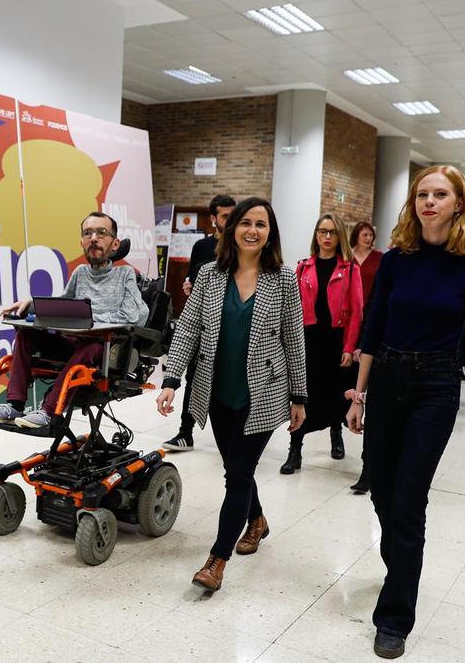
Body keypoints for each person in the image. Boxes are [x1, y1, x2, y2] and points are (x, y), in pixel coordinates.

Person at [344, 165, 465, 660]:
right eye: (422, 194)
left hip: (436, 384)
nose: (429, 201)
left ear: (458, 204)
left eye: (440, 194)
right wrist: (359, 393)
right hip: (386, 378)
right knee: (382, 490)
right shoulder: (396, 260)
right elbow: (374, 323)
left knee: (409, 499)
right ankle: (401, 563)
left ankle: (394, 617)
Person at [155, 197, 307, 593]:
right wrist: (171, 379)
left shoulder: (284, 279)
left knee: (238, 475)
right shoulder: (209, 274)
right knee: (237, 469)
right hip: (216, 390)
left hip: (264, 395)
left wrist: (300, 396)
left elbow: (294, 339)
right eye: (246, 223)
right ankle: (257, 520)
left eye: (261, 224)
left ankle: (216, 560)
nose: (253, 230)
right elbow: (188, 328)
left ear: (270, 232)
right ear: (232, 228)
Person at [0, 212, 147, 429]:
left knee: (89, 349)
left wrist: (91, 318)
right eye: (88, 233)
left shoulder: (124, 274)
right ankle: (14, 404)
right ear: (82, 242)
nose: (93, 238)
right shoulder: (80, 273)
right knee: (25, 334)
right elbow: (62, 304)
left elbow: (137, 315)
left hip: (102, 349)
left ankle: (48, 411)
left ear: (115, 244)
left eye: (101, 233)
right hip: (71, 343)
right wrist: (30, 304)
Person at [280, 213, 362, 475]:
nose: (327, 237)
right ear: (316, 235)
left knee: (336, 392)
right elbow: (292, 309)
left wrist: (349, 347)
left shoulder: (350, 268)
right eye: (322, 232)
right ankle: (295, 449)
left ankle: (336, 433)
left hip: (336, 340)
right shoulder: (303, 267)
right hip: (308, 339)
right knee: (303, 394)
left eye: (332, 232)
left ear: (340, 236)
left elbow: (357, 312)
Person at [166, 194, 236, 451]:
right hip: (202, 322)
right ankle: (186, 432)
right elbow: (193, 279)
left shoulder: (242, 248)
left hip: (230, 325)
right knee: (194, 376)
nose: (231, 221)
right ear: (214, 218)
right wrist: (188, 285)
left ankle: (234, 433)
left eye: (233, 214)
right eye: (226, 216)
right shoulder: (201, 247)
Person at [348, 220, 383, 494]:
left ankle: (375, 468)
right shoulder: (348, 259)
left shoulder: (382, 261)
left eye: (372, 235)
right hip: (362, 331)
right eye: (365, 234)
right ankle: (367, 469)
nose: (369, 238)